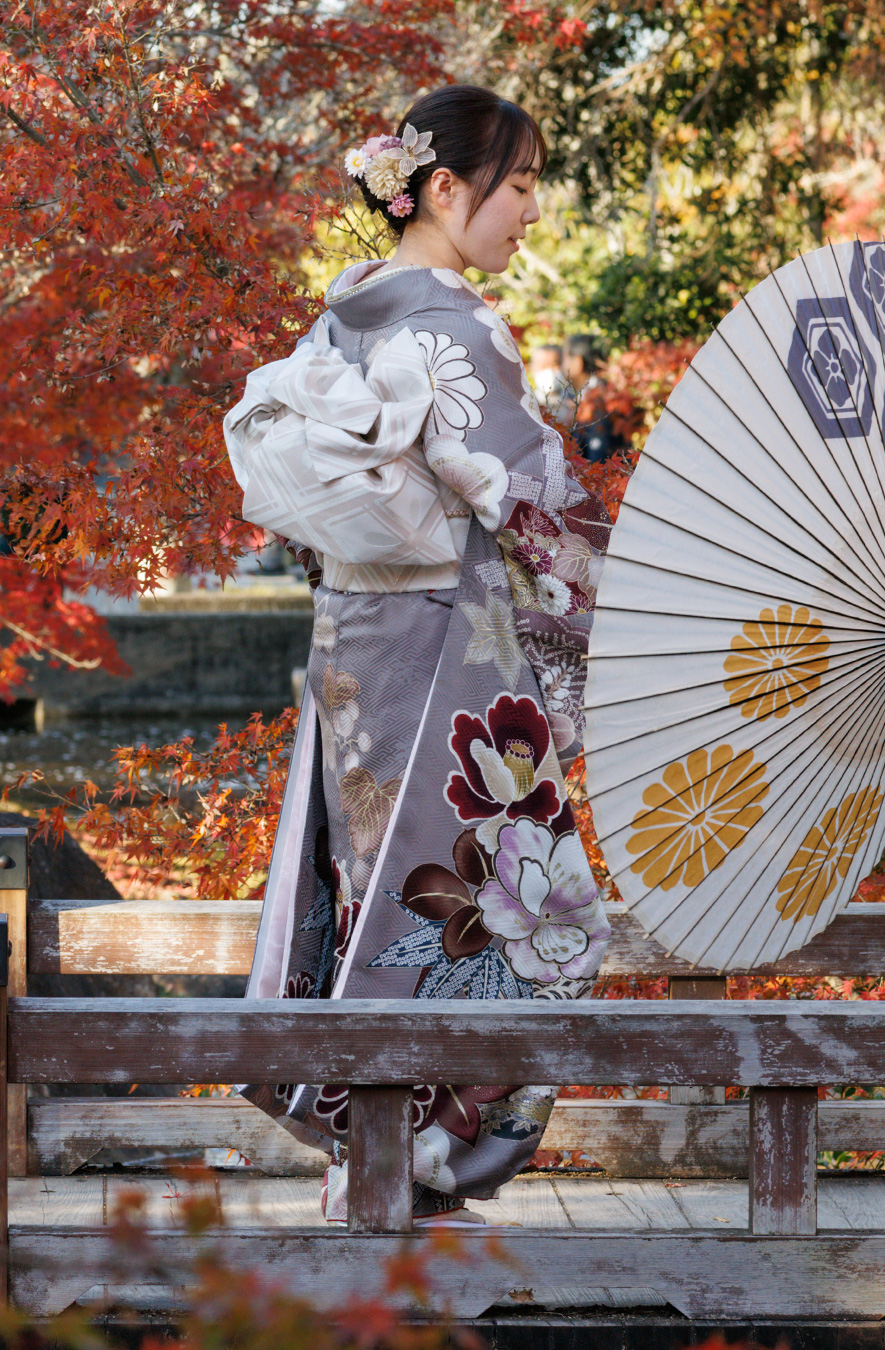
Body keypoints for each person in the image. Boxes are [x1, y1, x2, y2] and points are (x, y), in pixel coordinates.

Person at [237, 86, 612, 1227]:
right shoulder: (453, 325)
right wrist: (637, 600)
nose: (533, 211)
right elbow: (532, 501)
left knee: (380, 891)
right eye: (521, 184)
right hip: (448, 649)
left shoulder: (343, 316)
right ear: (445, 189)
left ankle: (369, 1165)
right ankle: (413, 1166)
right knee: (495, 906)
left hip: (356, 648)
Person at [564, 334, 624, 462]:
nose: (562, 364)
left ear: (578, 362)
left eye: (565, 358)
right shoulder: (604, 394)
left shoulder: (597, 402)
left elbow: (598, 458)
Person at [528, 343, 577, 426]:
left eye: (555, 365)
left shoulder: (576, 403)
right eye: (543, 366)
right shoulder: (526, 406)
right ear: (532, 367)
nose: (549, 370)